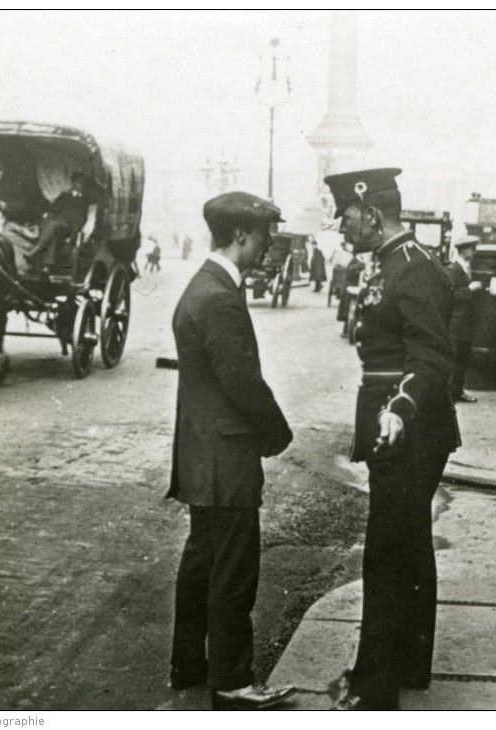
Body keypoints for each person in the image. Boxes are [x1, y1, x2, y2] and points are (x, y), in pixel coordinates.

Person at [323, 168, 460, 711]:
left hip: (407, 425)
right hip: (397, 421)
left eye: (347, 216)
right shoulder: (391, 263)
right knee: (409, 544)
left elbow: (431, 354)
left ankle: (373, 688)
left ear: (372, 214)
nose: (341, 227)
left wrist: (400, 407)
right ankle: (410, 663)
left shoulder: (413, 270)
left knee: (384, 553)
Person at [167, 191, 297, 710]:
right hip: (226, 456)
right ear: (242, 235)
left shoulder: (204, 285)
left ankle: (188, 665)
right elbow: (242, 381)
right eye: (265, 235)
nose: (270, 245)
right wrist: (277, 433)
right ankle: (233, 683)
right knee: (233, 572)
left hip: (203, 454)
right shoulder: (220, 296)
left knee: (202, 561)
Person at [25, 171, 90, 272]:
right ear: (73, 183)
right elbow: (53, 209)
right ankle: (46, 267)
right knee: (53, 234)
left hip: (67, 226)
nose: (81, 185)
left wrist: (72, 236)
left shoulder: (83, 202)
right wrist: (45, 217)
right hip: (56, 224)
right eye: (78, 182)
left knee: (54, 225)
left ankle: (35, 251)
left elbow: (80, 221)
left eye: (82, 183)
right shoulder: (64, 196)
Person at [446, 236, 482, 403]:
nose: (474, 252)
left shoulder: (468, 268)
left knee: (463, 360)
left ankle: (457, 391)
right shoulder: (452, 270)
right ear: (463, 250)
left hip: (466, 324)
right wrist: (469, 289)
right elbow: (449, 297)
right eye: (472, 248)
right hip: (456, 324)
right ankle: (448, 395)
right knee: (454, 360)